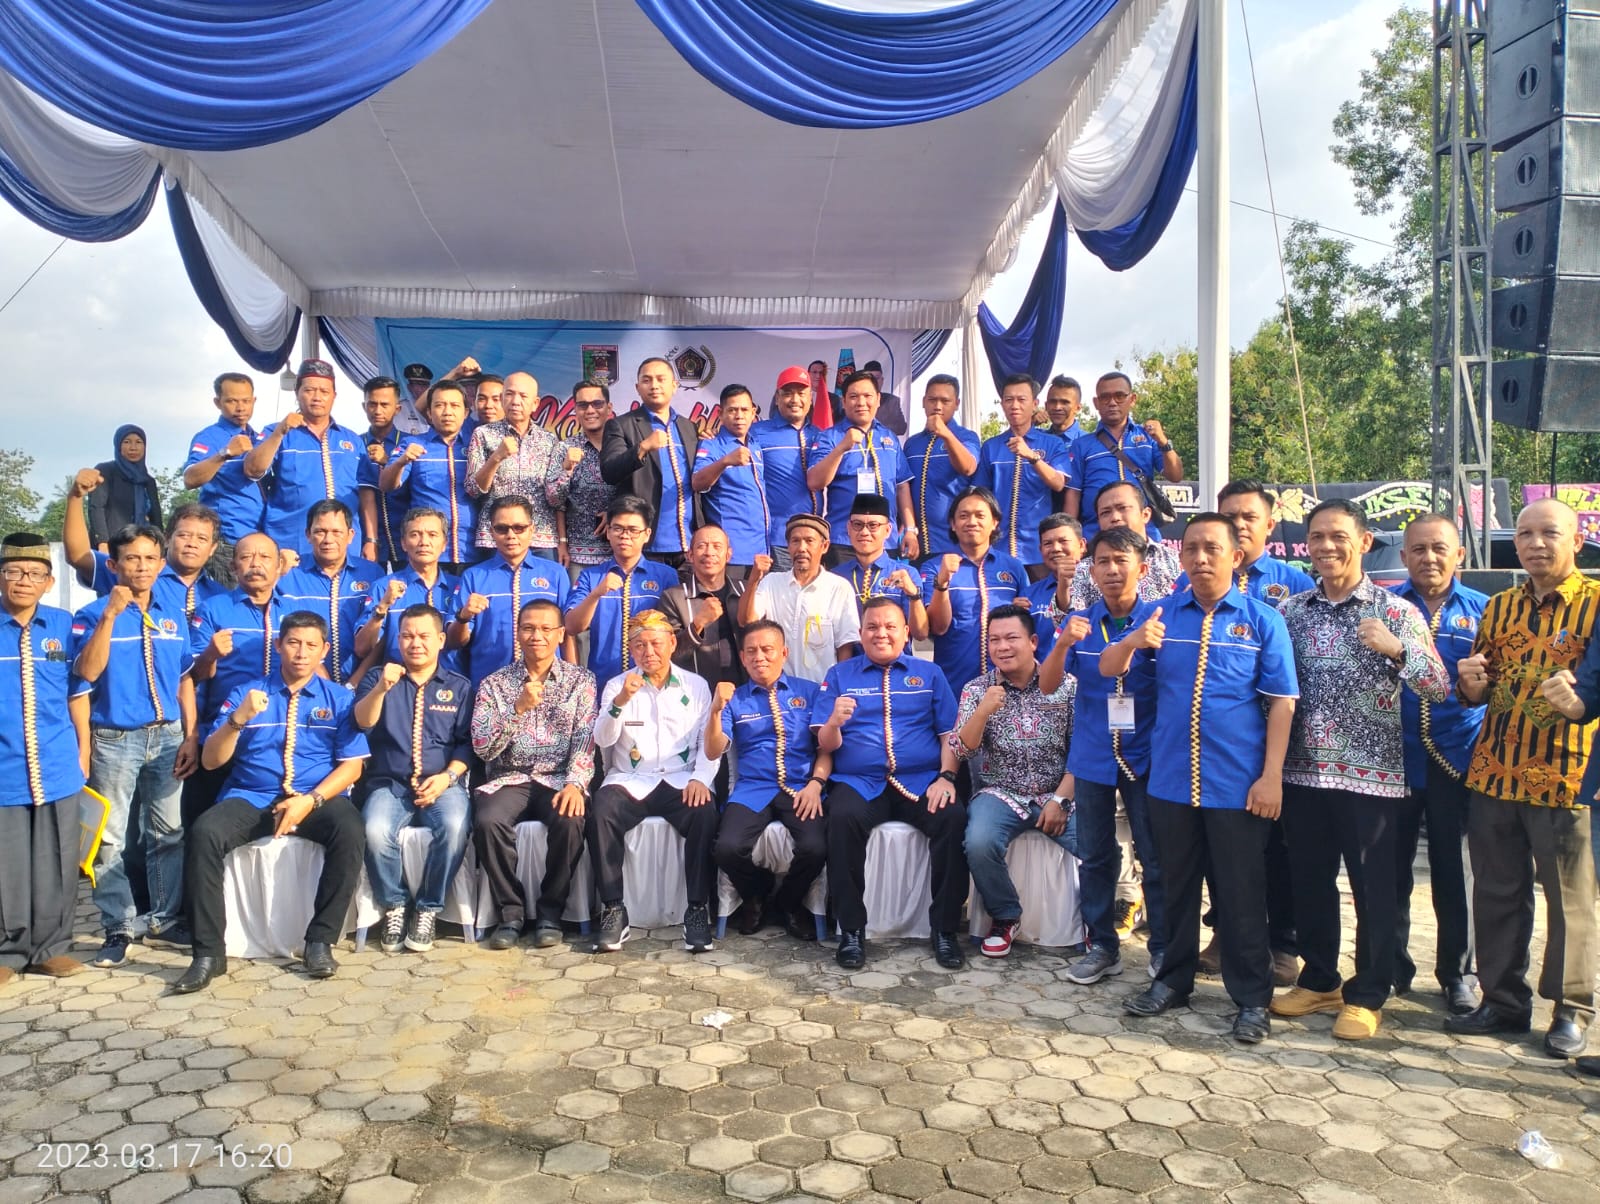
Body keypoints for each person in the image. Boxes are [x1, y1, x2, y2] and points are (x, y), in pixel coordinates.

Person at [1107, 514, 1298, 1044]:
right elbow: (1109, 668)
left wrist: (1272, 777)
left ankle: (1252, 998)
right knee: (1174, 887)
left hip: (1237, 784)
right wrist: (1133, 642)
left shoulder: (1262, 621)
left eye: (1212, 548)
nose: (1201, 558)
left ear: (1236, 556)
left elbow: (1282, 703)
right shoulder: (1160, 615)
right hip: (1169, 780)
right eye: (1191, 548)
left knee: (1241, 892)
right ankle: (1172, 980)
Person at [1271, 499, 1449, 1042]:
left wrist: (1398, 651)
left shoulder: (1395, 611)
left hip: (1371, 778)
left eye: (1338, 536)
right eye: (1316, 537)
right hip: (1302, 774)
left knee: (1375, 889)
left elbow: (1439, 686)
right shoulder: (1292, 611)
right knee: (1309, 882)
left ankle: (1369, 993)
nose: (1326, 546)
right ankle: (1320, 979)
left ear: (1366, 542)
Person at [1454, 498, 1599, 1058]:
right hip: (1494, 772)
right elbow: (1480, 687)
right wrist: (1470, 684)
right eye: (1525, 534)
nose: (1536, 544)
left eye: (1549, 533)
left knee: (1570, 902)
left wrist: (1580, 701)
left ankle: (1570, 1009)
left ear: (1576, 541)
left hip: (1565, 776)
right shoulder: (1499, 607)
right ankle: (1503, 1001)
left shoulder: (1595, 604)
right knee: (1496, 892)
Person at [174, 611, 369, 993]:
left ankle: (320, 941)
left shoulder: (340, 698)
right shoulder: (246, 693)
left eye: (311, 645)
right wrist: (238, 719)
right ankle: (208, 954)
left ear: (324, 650)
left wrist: (309, 801)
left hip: (314, 797)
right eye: (293, 643)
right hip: (253, 796)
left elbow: (352, 767)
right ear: (278, 645)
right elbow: (211, 761)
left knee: (350, 830)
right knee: (204, 833)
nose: (301, 652)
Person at [1180, 480, 1311, 981]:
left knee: (1278, 848)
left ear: (1269, 525)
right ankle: (1224, 933)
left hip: (1283, 736)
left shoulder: (1294, 583)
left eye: (1248, 517)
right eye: (1228, 516)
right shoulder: (1192, 585)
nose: (1238, 525)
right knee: (1223, 848)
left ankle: (1283, 943)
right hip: (1219, 746)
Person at [1040, 526, 1167, 985]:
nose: (1112, 570)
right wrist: (1061, 643)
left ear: (1142, 568)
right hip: (1093, 754)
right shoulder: (1080, 621)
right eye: (1103, 562)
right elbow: (1048, 685)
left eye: (1121, 560)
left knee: (1154, 856)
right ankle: (1102, 946)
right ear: (1091, 571)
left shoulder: (1159, 620)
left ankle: (1164, 948)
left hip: (1146, 755)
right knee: (1095, 855)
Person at [815, 597, 965, 971]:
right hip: (860, 781)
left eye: (889, 626)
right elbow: (825, 744)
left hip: (921, 780)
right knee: (841, 819)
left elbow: (949, 735)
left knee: (952, 818)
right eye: (872, 627)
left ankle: (945, 930)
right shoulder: (839, 675)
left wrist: (947, 777)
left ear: (906, 632)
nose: (880, 633)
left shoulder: (929, 674)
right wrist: (833, 722)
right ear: (860, 633)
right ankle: (851, 930)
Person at [72, 523, 198, 966]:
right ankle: (118, 925)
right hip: (115, 739)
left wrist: (191, 734)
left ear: (161, 564)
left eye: (149, 558)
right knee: (109, 839)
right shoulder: (91, 614)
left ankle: (162, 917)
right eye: (131, 558)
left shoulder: (172, 614)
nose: (141, 567)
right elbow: (86, 674)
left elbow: (184, 678)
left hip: (167, 736)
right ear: (114, 564)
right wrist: (110, 616)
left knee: (167, 832)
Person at [1393, 514, 1486, 1016]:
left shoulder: (1484, 611)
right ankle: (1390, 967)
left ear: (1459, 555)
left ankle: (1458, 974)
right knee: (1389, 872)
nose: (1429, 558)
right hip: (1395, 758)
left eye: (1439, 548)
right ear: (1403, 556)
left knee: (1455, 873)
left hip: (1457, 759)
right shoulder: (1387, 605)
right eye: (1419, 549)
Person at [588, 611, 720, 954]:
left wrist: (700, 778)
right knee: (601, 810)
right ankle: (613, 909)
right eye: (640, 645)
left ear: (672, 644)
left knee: (704, 811)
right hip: (631, 779)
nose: (649, 652)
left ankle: (697, 909)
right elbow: (602, 739)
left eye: (656, 643)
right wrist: (620, 702)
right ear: (631, 650)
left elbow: (708, 742)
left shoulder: (695, 685)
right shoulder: (618, 685)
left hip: (679, 777)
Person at [471, 598, 598, 950]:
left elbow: (585, 738)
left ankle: (550, 913)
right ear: (518, 633)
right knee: (488, 821)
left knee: (570, 820)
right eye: (528, 628)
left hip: (558, 777)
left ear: (560, 634)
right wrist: (517, 709)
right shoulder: (494, 684)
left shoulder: (581, 681)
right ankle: (510, 913)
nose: (536, 636)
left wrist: (575, 784)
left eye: (545, 629)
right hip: (510, 777)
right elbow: (482, 747)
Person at [953, 604, 1076, 959]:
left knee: (1101, 847)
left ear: (1033, 641)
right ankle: (1005, 916)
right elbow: (961, 749)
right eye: (994, 640)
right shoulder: (977, 689)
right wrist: (982, 711)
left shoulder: (1066, 686)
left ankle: (1097, 925)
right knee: (979, 842)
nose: (1002, 647)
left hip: (1057, 791)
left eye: (1011, 638)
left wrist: (1061, 800)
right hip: (1000, 792)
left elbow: (1082, 751)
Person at [353, 605, 473, 954]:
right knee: (374, 830)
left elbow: (467, 744)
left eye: (423, 636)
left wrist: (448, 777)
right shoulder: (378, 678)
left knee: (454, 826)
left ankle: (428, 908)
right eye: (407, 636)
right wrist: (381, 689)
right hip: (389, 784)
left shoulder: (459, 686)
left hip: (442, 783)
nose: (415, 643)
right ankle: (394, 904)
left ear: (440, 640)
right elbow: (362, 723)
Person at [0, 533, 91, 985]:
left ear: (49, 582)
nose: (24, 580)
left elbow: (78, 692)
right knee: (8, 863)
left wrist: (84, 749)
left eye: (35, 573)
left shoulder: (62, 625)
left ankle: (52, 948)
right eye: (14, 571)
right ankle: (8, 952)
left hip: (57, 763)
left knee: (58, 858)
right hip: (5, 767)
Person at [706, 620, 830, 939]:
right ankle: (757, 894)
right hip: (753, 788)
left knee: (816, 847)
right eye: (751, 651)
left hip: (801, 788)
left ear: (783, 653)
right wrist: (716, 711)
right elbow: (713, 750)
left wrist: (816, 784)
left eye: (766, 649)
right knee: (726, 848)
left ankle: (788, 903)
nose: (759, 657)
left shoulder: (810, 692)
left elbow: (826, 748)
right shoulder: (735, 699)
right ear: (742, 658)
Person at [185, 533, 287, 824]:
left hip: (277, 735)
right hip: (222, 729)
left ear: (279, 566)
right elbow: (192, 676)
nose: (256, 563)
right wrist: (210, 654)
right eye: (246, 557)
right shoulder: (214, 609)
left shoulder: (293, 611)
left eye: (265, 557)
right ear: (233, 567)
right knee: (206, 821)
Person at [244, 359, 369, 559]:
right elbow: (252, 470)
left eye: (324, 391)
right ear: (297, 393)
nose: (317, 397)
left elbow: (366, 492)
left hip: (343, 545)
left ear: (334, 396)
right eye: (309, 390)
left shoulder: (352, 440)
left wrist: (371, 540)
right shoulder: (276, 431)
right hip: (290, 543)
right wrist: (279, 433)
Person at [65, 472, 228, 621]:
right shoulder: (138, 571)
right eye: (184, 535)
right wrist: (75, 498)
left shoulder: (220, 596)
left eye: (202, 538)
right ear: (167, 538)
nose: (192, 544)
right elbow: (78, 556)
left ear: (212, 548)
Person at [450, 495, 569, 686]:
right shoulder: (474, 576)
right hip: (489, 684)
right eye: (502, 529)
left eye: (519, 528)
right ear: (491, 532)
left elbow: (568, 633)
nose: (511, 535)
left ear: (532, 529)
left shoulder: (555, 573)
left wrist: (570, 679)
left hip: (547, 684)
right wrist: (463, 617)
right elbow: (455, 641)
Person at [566, 495, 681, 691]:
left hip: (654, 683)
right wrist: (596, 594)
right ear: (608, 532)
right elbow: (571, 626)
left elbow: (674, 633)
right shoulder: (591, 576)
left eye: (633, 530)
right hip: (604, 681)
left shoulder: (665, 575)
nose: (625, 536)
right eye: (618, 528)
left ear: (647, 534)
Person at [925, 487, 1029, 696]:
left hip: (1009, 684)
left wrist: (1020, 611)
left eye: (980, 515)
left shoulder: (1013, 567)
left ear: (994, 522)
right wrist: (942, 582)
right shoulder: (934, 567)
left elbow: (1027, 624)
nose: (972, 522)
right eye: (963, 516)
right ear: (953, 524)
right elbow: (937, 627)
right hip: (955, 682)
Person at [600, 358, 702, 567]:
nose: (654, 385)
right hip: (645, 543)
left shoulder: (689, 427)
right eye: (647, 380)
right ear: (638, 388)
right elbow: (610, 471)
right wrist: (643, 447)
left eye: (661, 379)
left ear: (674, 385)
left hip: (688, 544)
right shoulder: (621, 425)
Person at [807, 370, 917, 560]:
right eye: (853, 397)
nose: (861, 402)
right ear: (843, 402)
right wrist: (842, 448)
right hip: (844, 542)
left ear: (878, 399)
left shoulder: (889, 437)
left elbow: (902, 486)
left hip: (886, 541)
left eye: (867, 396)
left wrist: (910, 530)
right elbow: (815, 482)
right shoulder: (830, 437)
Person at [739, 514, 860, 684]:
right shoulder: (772, 582)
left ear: (824, 546)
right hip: (780, 690)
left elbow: (845, 646)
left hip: (821, 689)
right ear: (788, 547)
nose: (802, 548)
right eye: (795, 541)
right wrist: (753, 580)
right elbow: (746, 621)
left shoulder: (839, 587)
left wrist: (838, 687)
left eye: (809, 541)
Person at [275, 500, 382, 686]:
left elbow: (381, 637)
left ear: (350, 535)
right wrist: (328, 688)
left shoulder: (373, 573)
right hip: (305, 684)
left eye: (336, 532)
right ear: (308, 535)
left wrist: (354, 684)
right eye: (320, 532)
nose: (328, 540)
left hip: (363, 684)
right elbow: (282, 632)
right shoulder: (290, 574)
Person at [1065, 372, 1182, 541]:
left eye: (1119, 396)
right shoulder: (1082, 444)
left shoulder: (1148, 437)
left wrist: (1163, 441)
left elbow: (1175, 475)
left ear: (1132, 399)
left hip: (1143, 532)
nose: (1112, 402)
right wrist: (1072, 537)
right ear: (1096, 403)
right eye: (1105, 397)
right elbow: (1073, 494)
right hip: (1096, 534)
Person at [976, 375, 1070, 574]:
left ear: (1034, 404)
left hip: (1039, 549)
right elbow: (981, 495)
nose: (1015, 405)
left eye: (1021, 399)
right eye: (1009, 400)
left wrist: (1032, 456)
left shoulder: (1052, 443)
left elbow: (1058, 483)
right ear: (1002, 404)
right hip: (998, 547)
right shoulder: (991, 446)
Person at [354, 507, 464, 677]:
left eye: (432, 535)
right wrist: (382, 607)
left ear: (444, 544)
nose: (424, 542)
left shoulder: (459, 587)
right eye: (415, 535)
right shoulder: (384, 587)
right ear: (404, 543)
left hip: (450, 685)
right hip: (398, 684)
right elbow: (362, 649)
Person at [467, 370, 564, 561]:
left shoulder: (549, 440)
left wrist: (562, 541)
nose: (515, 401)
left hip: (540, 537)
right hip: (497, 536)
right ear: (503, 398)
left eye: (523, 396)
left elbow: (556, 499)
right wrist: (496, 457)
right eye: (509, 394)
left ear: (535, 403)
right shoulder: (483, 434)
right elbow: (473, 489)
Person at [382, 379, 478, 570]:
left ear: (466, 412)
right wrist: (402, 461)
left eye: (454, 405)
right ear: (429, 412)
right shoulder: (412, 444)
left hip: (472, 550)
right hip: (428, 552)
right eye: (440, 405)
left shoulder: (477, 444)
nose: (447, 412)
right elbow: (386, 485)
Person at [750, 366, 824, 570]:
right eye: (788, 393)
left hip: (814, 538)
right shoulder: (757, 432)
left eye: (801, 393)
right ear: (777, 398)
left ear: (810, 398)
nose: (795, 399)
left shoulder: (819, 435)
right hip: (778, 539)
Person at [183, 373, 265, 553]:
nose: (240, 408)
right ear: (217, 402)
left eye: (246, 401)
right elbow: (189, 479)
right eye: (232, 401)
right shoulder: (209, 437)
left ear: (254, 401)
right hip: (225, 538)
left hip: (258, 536)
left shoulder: (259, 438)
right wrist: (224, 453)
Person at [692, 384, 770, 570]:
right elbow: (697, 483)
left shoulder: (755, 444)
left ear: (753, 413)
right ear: (720, 413)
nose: (739, 416)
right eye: (732, 410)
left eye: (744, 410)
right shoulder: (711, 445)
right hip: (732, 553)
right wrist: (725, 461)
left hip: (762, 549)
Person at [1067, 482, 1180, 609]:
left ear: (1145, 515)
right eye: (1105, 512)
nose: (1115, 517)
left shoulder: (1175, 561)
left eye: (1122, 508)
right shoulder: (1084, 570)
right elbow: (1068, 617)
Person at [658, 525, 747, 687]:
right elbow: (667, 654)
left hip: (745, 689)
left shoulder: (745, 591)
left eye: (717, 546)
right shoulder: (674, 597)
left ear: (728, 555)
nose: (709, 552)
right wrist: (698, 624)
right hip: (697, 691)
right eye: (701, 546)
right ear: (690, 555)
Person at [903, 374, 979, 562]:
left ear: (957, 404)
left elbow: (968, 467)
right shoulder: (912, 443)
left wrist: (945, 434)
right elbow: (903, 488)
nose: (937, 406)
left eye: (945, 401)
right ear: (923, 402)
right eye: (932, 400)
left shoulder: (967, 437)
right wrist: (909, 530)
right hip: (918, 544)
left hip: (956, 544)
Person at [545, 379, 617, 575]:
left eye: (597, 403)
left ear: (609, 408)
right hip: (578, 554)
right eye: (583, 405)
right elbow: (555, 501)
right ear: (575, 410)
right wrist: (567, 469)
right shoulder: (565, 448)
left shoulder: (623, 445)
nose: (590, 410)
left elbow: (638, 490)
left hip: (621, 550)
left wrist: (616, 511)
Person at [833, 494, 928, 639]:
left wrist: (913, 595)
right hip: (851, 653)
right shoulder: (836, 576)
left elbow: (921, 634)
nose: (864, 532)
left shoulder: (907, 573)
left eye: (873, 525)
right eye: (857, 525)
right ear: (849, 528)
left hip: (894, 652)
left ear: (888, 530)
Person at [358, 375, 409, 570]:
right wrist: (369, 539)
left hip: (406, 536)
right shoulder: (355, 444)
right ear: (364, 407)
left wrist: (388, 461)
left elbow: (417, 484)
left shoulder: (409, 443)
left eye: (385, 405)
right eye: (372, 404)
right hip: (366, 538)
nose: (378, 410)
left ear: (397, 408)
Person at [88, 424, 163, 550]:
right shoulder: (106, 471)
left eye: (138, 442)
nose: (133, 448)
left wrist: (160, 545)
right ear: (118, 446)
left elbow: (156, 518)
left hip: (142, 547)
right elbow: (96, 508)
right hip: (112, 545)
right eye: (127, 442)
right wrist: (102, 541)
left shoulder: (148, 481)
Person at [1025, 514, 1085, 659]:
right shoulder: (1029, 595)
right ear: (1040, 550)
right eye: (1048, 544)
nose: (1056, 548)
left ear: (1082, 545)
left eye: (1063, 541)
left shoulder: (1102, 587)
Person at [860, 360, 907, 435]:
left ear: (882, 380)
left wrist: (874, 429)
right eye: (870, 378)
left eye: (876, 378)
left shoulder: (892, 401)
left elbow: (901, 428)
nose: (874, 382)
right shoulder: (857, 401)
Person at [1044, 374, 1086, 443]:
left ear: (1078, 408)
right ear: (1046, 405)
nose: (1057, 407)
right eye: (1053, 401)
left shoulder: (1088, 443)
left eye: (1065, 402)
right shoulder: (1036, 438)